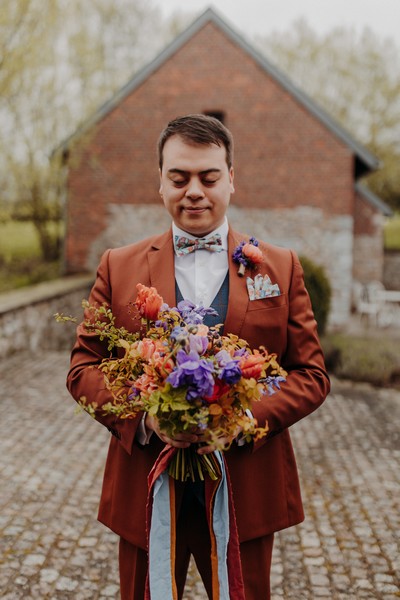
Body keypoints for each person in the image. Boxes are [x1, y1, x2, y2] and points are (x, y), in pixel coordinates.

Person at [67, 114, 330, 599]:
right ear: (160, 182)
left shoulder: (280, 267)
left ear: (231, 179)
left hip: (246, 488)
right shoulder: (118, 265)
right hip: (144, 487)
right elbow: (83, 369)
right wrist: (147, 417)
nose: (194, 191)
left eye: (208, 177)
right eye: (179, 177)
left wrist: (243, 418)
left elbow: (311, 375)